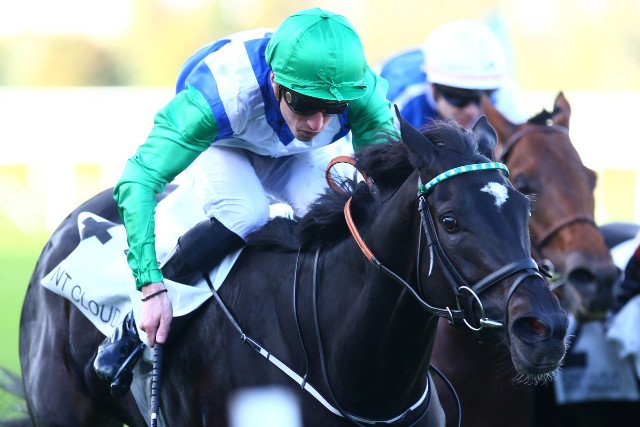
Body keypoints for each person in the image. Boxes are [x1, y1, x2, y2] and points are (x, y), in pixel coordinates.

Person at [92, 7, 397, 396]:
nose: (318, 123)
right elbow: (137, 180)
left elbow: (387, 183)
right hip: (226, 145)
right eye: (305, 103)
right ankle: (132, 328)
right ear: (275, 82)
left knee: (344, 217)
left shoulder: (361, 92)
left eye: (332, 108)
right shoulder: (220, 95)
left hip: (295, 153)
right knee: (246, 213)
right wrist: (150, 287)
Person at [378, 19, 524, 130]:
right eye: (459, 97)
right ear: (433, 87)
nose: (472, 110)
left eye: (484, 97)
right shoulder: (399, 100)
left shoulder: (502, 96)